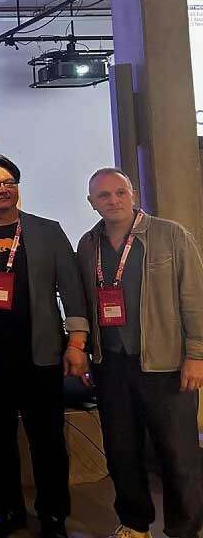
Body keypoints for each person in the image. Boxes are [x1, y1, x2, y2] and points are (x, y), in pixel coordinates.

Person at [0, 155, 89, 538]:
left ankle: (53, 516)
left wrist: (77, 343)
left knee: (48, 442)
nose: (3, 190)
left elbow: (72, 291)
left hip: (40, 355)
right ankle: (5, 510)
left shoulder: (47, 232)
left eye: (9, 182)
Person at [76, 168, 203, 538]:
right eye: (103, 195)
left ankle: (184, 529)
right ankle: (134, 523)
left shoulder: (170, 235)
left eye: (120, 192)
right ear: (91, 203)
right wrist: (83, 349)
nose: (113, 200)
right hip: (111, 364)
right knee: (121, 452)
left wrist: (196, 354)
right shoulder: (88, 244)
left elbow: (194, 297)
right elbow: (83, 300)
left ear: (133, 194)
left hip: (166, 364)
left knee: (178, 455)